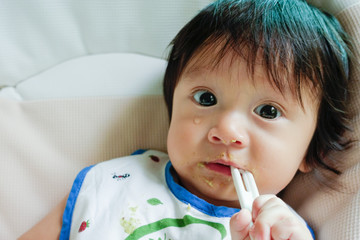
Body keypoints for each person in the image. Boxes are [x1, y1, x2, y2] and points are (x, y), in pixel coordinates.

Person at [19, 0, 353, 239]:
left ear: (312, 151)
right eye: (206, 99)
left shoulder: (281, 232)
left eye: (268, 111)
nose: (226, 131)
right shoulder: (112, 184)